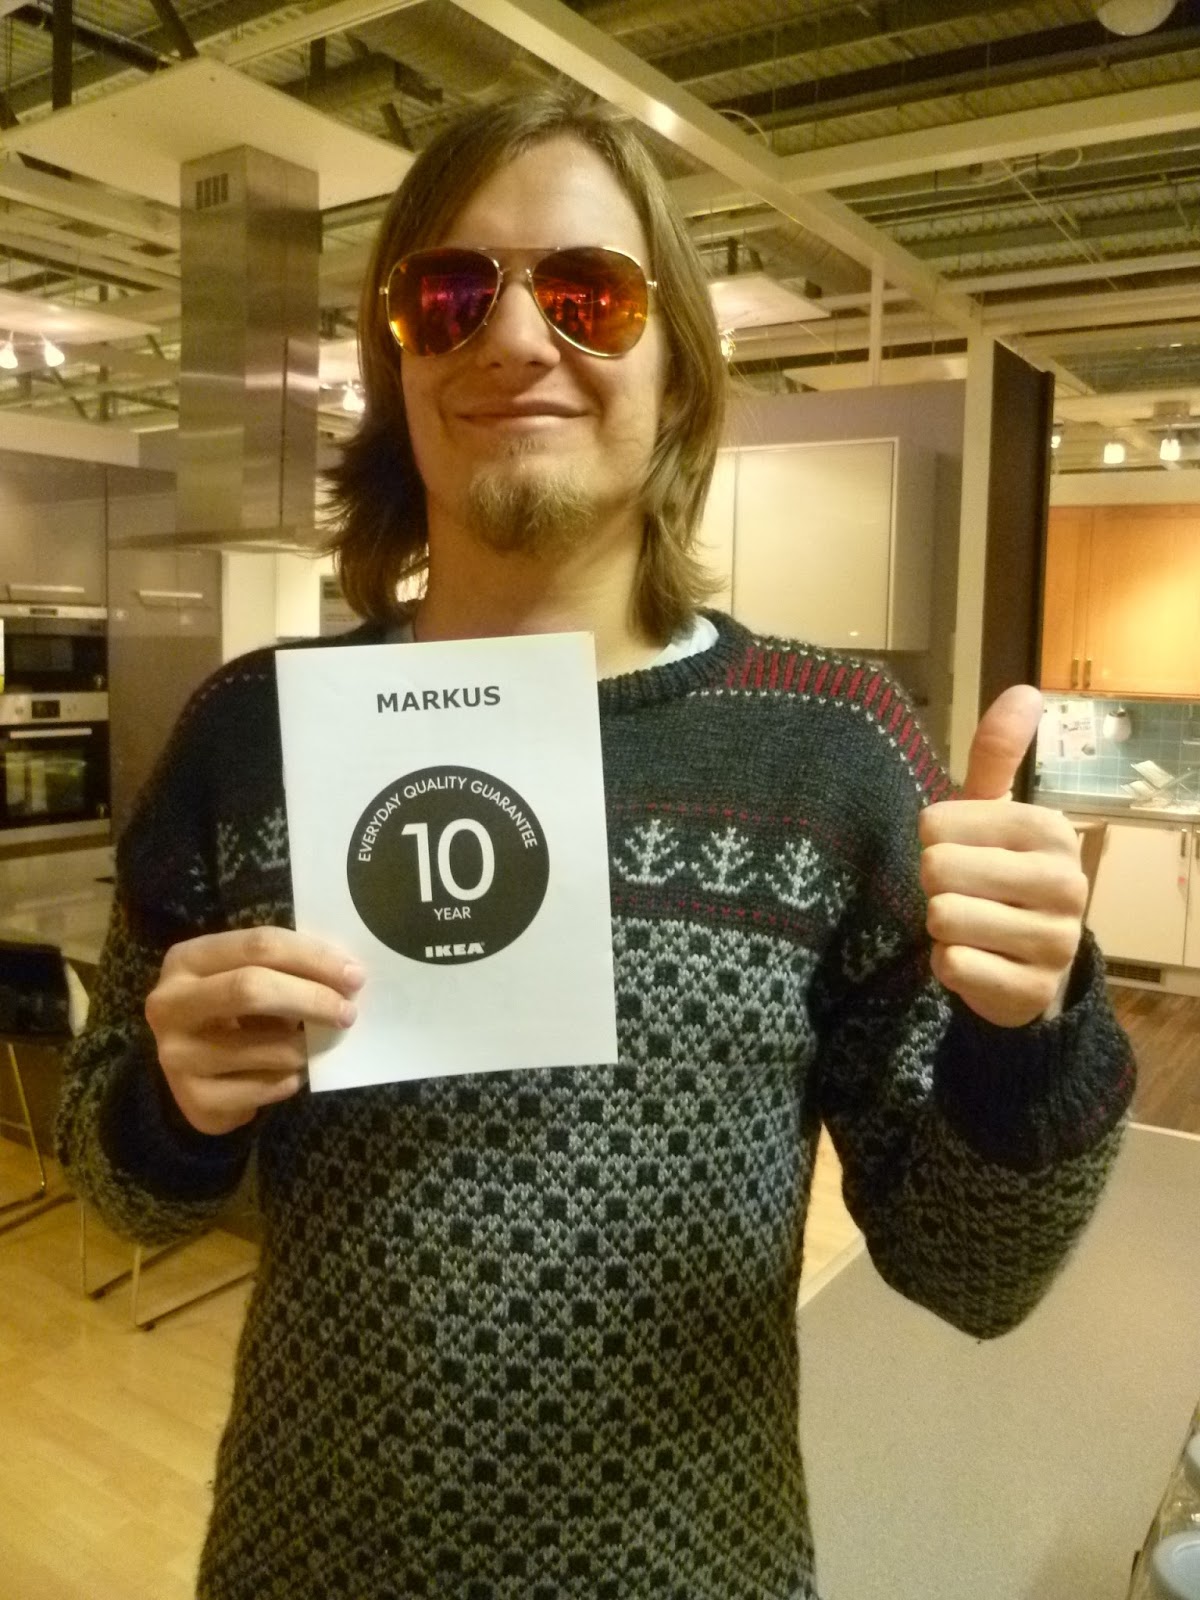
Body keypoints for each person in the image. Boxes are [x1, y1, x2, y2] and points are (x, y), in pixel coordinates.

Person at [56, 87, 1135, 1600]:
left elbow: (975, 1271)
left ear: (677, 369)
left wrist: (1030, 1032)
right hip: (305, 1558)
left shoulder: (834, 747)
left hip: (695, 1567)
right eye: (449, 293)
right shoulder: (252, 733)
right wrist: (169, 1108)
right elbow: (119, 1191)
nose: (513, 337)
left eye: (587, 293)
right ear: (399, 364)